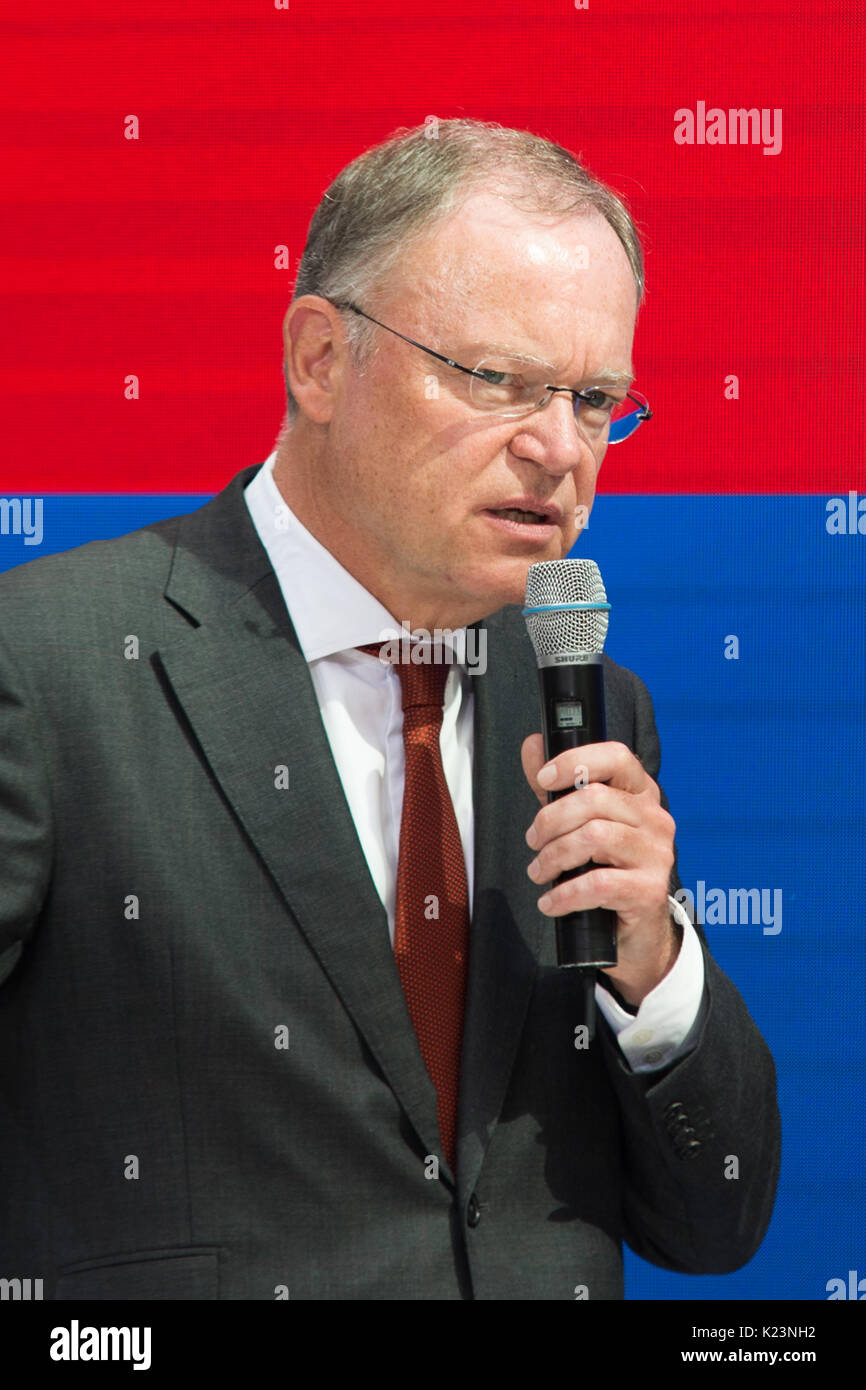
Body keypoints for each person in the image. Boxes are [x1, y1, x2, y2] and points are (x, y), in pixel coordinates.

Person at [0, 119, 780, 1300]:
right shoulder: (51, 663)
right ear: (319, 359)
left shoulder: (589, 705)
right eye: (495, 380)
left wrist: (651, 963)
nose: (558, 447)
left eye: (595, 398)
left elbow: (715, 1222)